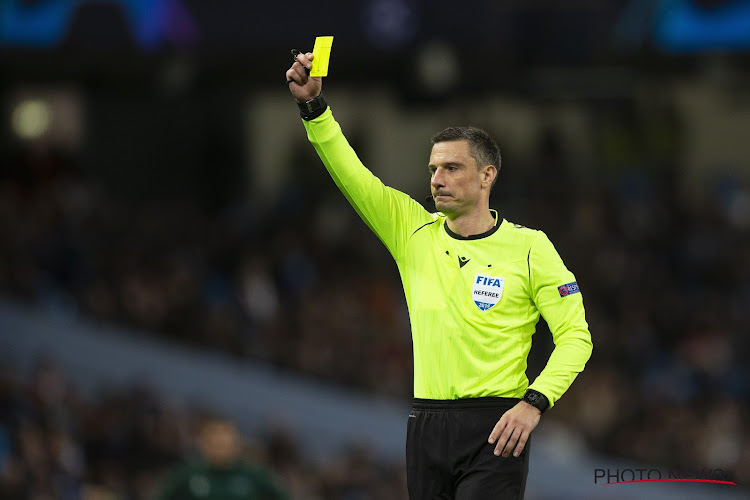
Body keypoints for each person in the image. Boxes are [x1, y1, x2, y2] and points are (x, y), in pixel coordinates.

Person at [285, 51, 593, 500]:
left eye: (451, 168)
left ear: (487, 175)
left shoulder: (531, 248)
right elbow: (352, 174)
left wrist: (535, 402)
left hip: (497, 425)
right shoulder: (412, 231)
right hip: (425, 424)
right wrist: (314, 109)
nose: (437, 179)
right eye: (433, 169)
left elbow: (576, 336)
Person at [154, 416, 288, 500]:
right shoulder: (186, 474)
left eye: (226, 445)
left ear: (236, 447)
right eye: (216, 445)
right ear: (204, 445)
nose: (221, 450)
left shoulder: (253, 474)